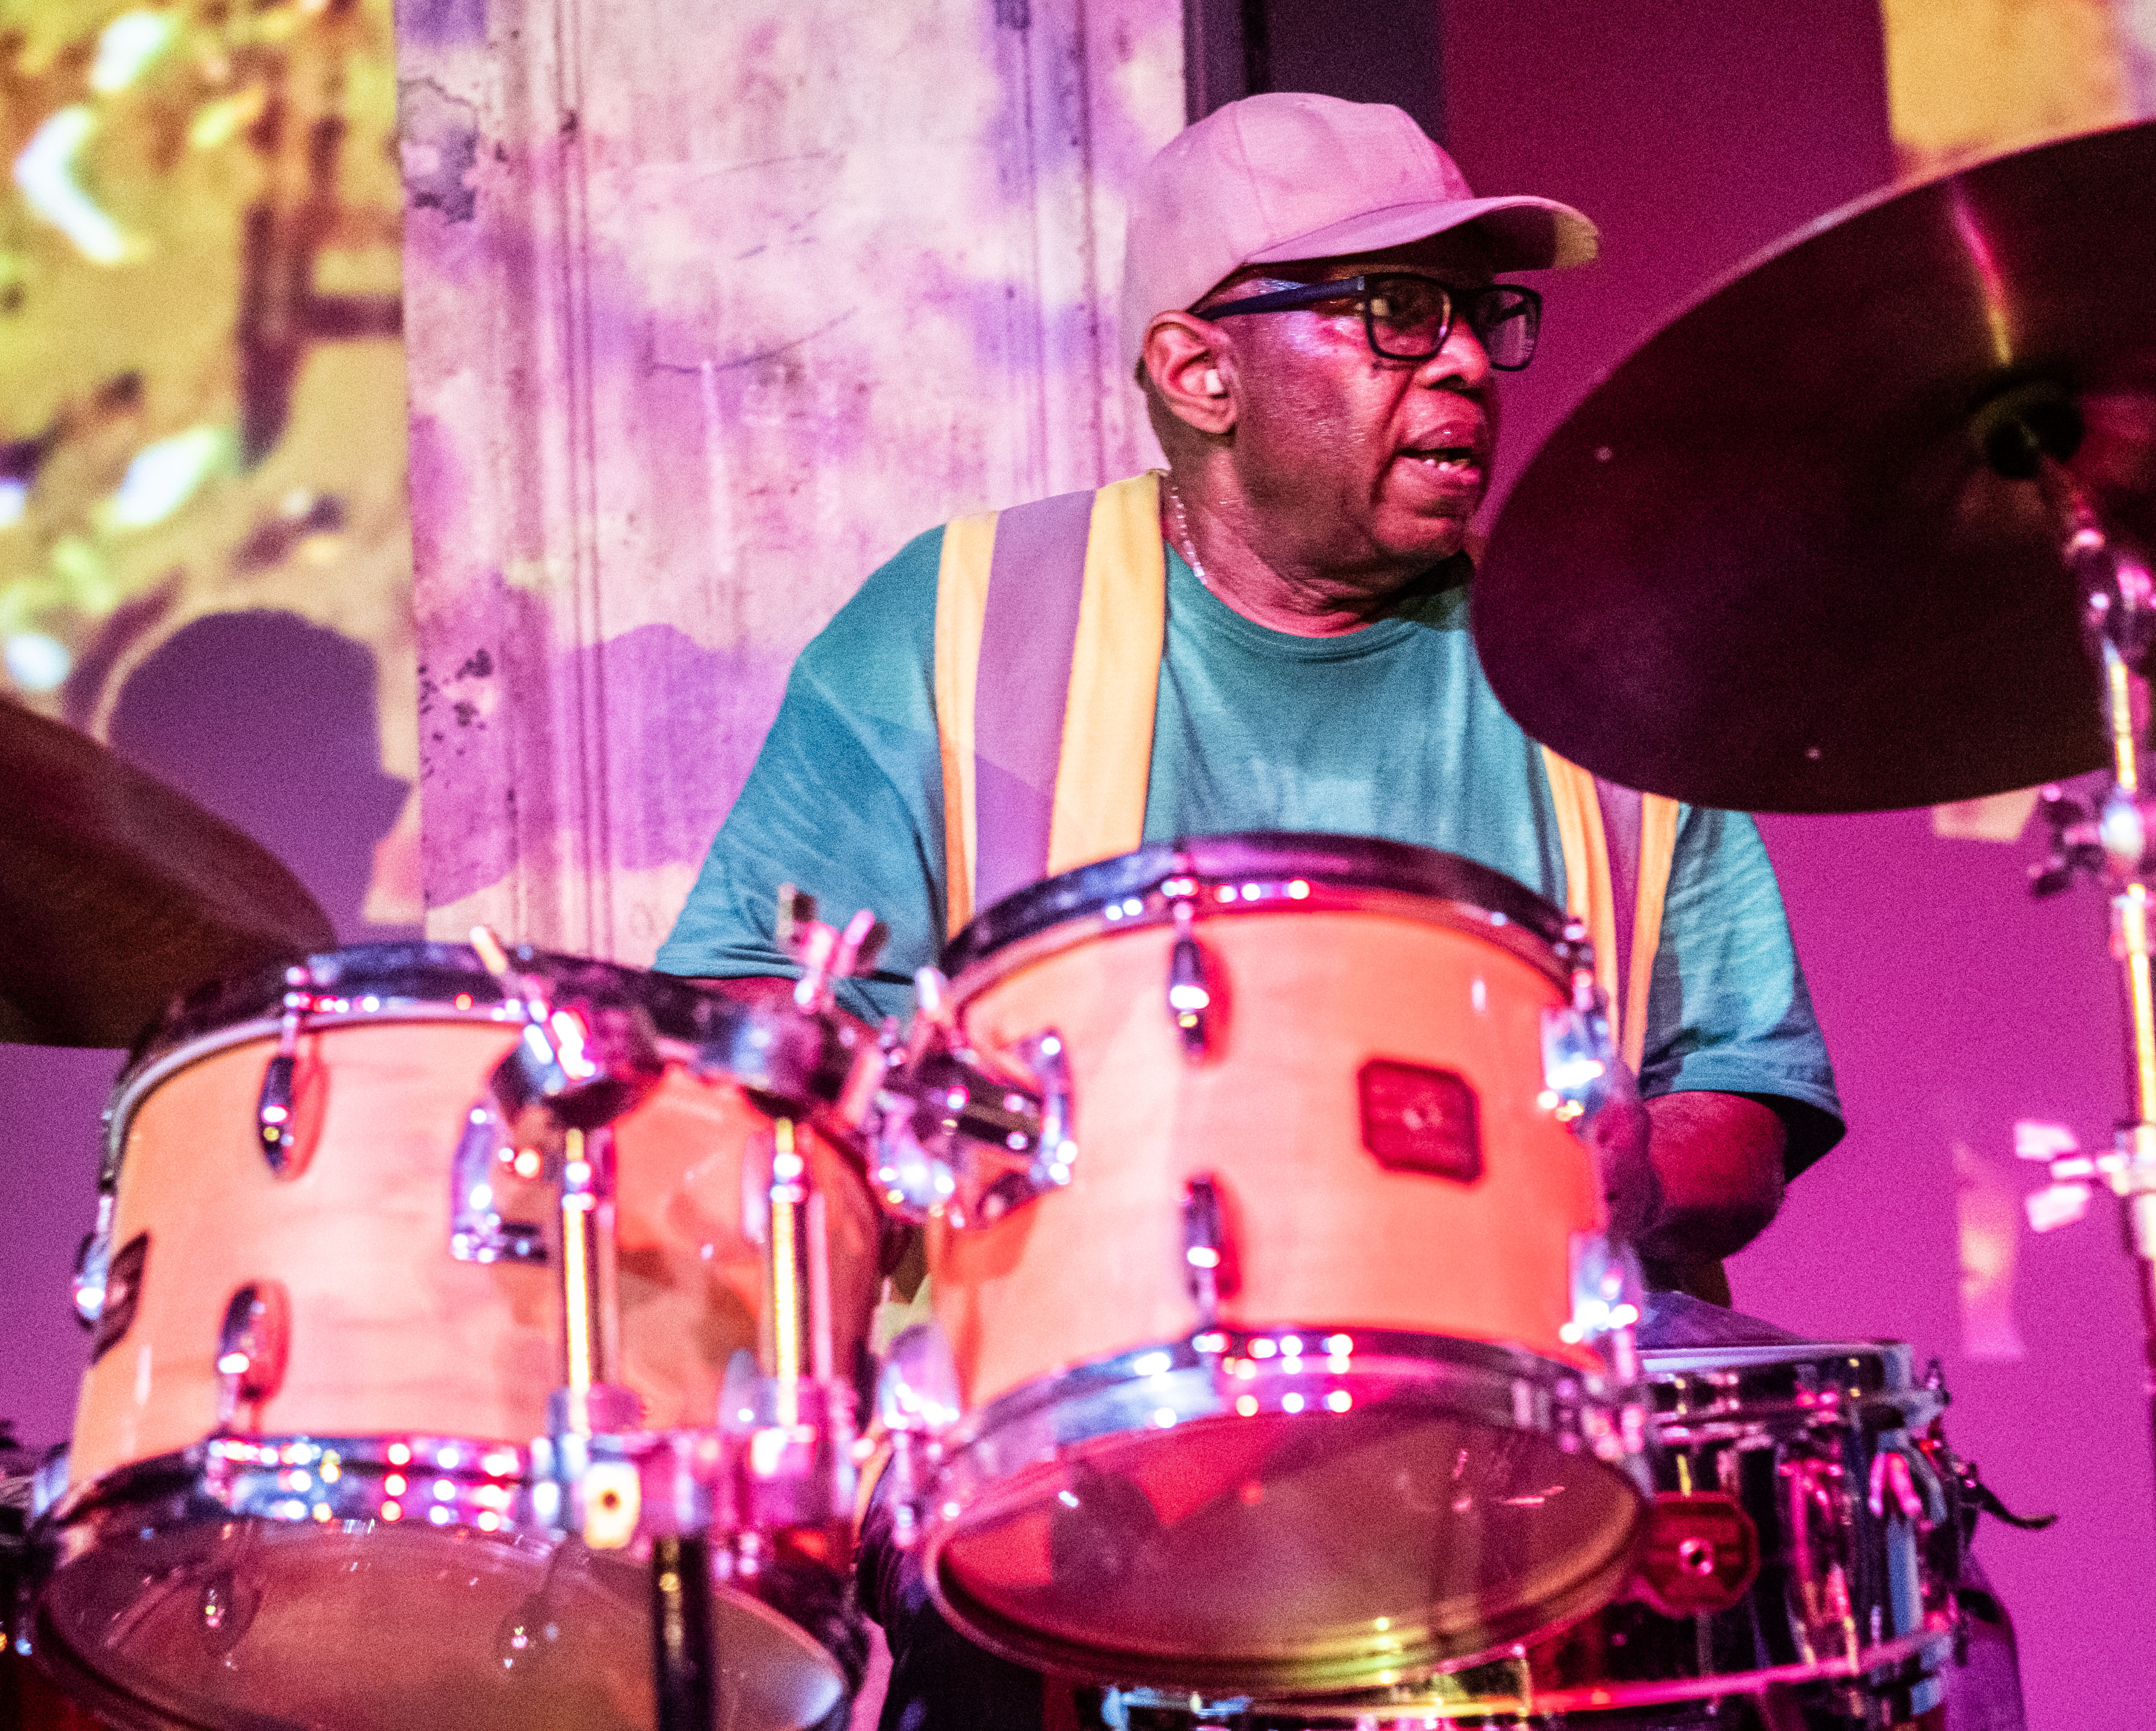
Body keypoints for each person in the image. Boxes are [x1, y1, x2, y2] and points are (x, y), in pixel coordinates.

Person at [650, 91, 1857, 1727]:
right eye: (1396, 310)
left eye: (1482, 312)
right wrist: (937, 1120)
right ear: (1198, 372)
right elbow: (742, 1054)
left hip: (1519, 1519)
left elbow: (1744, 1108)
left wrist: (1631, 1167)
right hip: (1060, 1515)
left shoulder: (1601, 663)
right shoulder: (958, 624)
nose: (1469, 363)